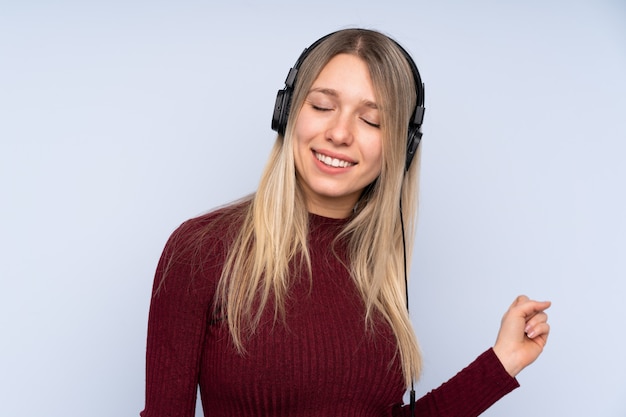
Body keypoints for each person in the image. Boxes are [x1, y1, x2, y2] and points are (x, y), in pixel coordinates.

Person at [140, 28, 551, 417]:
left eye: (371, 120)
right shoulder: (202, 249)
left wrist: (502, 363)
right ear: (287, 113)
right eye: (322, 106)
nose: (339, 133)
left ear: (401, 148)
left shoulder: (377, 268)